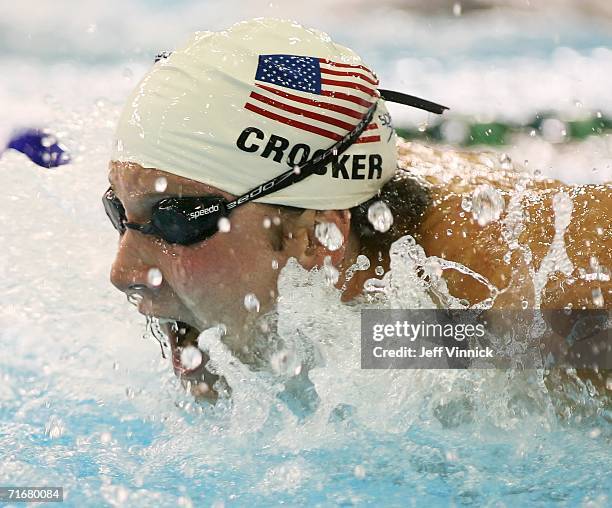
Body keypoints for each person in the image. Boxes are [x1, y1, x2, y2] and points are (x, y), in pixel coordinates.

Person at [105, 19, 610, 402]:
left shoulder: (541, 310)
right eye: (119, 211)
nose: (122, 272)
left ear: (317, 236)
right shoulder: (390, 324)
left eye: (176, 218)